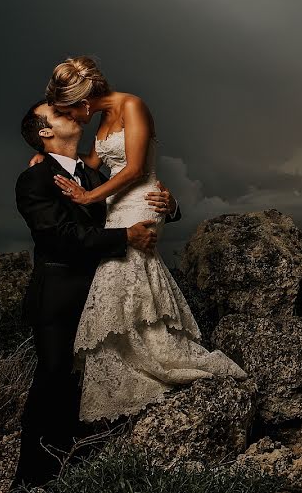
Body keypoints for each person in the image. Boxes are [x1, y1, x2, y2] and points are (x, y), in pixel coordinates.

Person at [44, 56, 246, 425]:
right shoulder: (102, 119)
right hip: (115, 205)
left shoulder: (133, 105)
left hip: (142, 201)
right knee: (119, 289)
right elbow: (90, 165)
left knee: (121, 278)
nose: (71, 118)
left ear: (83, 100)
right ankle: (130, 381)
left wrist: (88, 197)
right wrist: (44, 157)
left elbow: (135, 168)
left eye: (68, 110)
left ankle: (159, 367)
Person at [11, 100, 180, 492]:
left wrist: (169, 207)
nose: (67, 111)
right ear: (45, 133)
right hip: (58, 297)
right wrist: (125, 237)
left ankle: (80, 471)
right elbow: (59, 237)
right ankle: (29, 481)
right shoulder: (33, 179)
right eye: (55, 112)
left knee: (91, 383)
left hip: (102, 294)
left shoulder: (93, 176)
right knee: (53, 379)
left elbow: (131, 203)